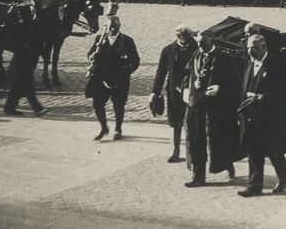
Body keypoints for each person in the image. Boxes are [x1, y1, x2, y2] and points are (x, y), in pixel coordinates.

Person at [181, 30, 243, 187]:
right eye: (198, 43)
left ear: (212, 40)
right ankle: (198, 176)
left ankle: (228, 165)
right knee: (195, 139)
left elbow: (235, 83)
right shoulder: (196, 55)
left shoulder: (224, 58)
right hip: (196, 105)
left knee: (219, 140)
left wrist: (220, 88)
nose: (200, 46)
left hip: (216, 108)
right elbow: (188, 76)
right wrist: (185, 90)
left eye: (203, 43)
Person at [237, 35, 286, 197]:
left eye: (254, 48)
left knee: (274, 152)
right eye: (248, 48)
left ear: (263, 47)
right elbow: (243, 89)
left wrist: (264, 97)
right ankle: (254, 186)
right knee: (253, 151)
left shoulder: (276, 64)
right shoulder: (249, 64)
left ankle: (283, 176)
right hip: (252, 116)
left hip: (271, 117)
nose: (251, 51)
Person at [85, 16, 140, 140]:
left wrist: (128, 68)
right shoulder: (100, 39)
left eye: (115, 27)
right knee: (97, 103)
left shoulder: (127, 41)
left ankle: (118, 128)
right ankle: (104, 127)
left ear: (119, 26)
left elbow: (135, 60)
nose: (112, 29)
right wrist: (91, 56)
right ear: (106, 27)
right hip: (101, 77)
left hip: (119, 78)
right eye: (110, 27)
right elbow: (90, 53)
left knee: (119, 104)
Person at [151, 25, 197, 162]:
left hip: (191, 91)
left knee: (191, 123)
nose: (184, 41)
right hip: (173, 92)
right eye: (181, 38)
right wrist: (155, 91)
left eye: (186, 38)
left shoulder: (196, 48)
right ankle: (175, 151)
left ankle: (191, 153)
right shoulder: (168, 50)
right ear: (177, 37)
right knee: (174, 122)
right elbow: (161, 72)